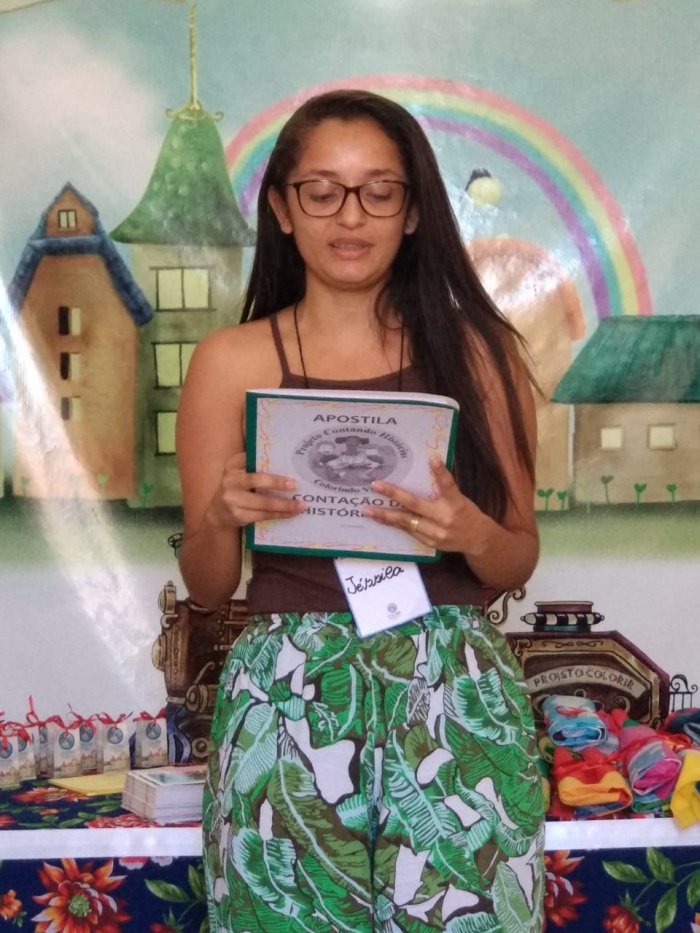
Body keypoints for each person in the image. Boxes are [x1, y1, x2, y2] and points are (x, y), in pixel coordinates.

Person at [176, 89, 546, 933]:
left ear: (413, 211)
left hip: (453, 684)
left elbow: (516, 557)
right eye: (323, 191)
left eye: (379, 191)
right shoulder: (230, 361)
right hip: (287, 690)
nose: (351, 216)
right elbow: (207, 586)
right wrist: (221, 518)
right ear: (283, 209)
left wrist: (472, 532)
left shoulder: (480, 353)